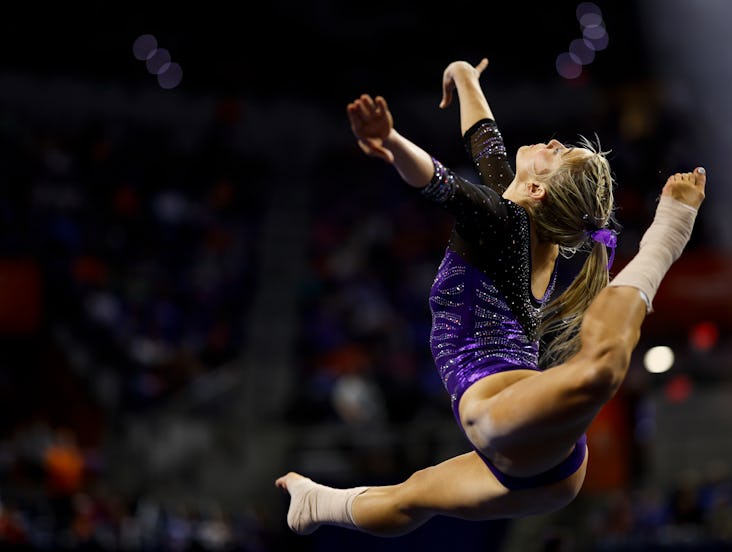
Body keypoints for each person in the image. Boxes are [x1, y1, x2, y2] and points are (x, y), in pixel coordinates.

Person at [275, 57, 706, 537]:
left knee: (600, 371)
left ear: (539, 188)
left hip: (506, 419)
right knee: (406, 498)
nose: (554, 142)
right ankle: (316, 501)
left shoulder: (500, 219)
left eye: (558, 154)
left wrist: (392, 142)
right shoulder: (519, 220)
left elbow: (440, 183)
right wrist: (464, 77)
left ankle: (664, 238)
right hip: (533, 445)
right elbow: (486, 142)